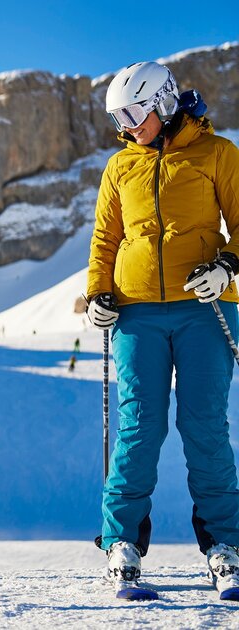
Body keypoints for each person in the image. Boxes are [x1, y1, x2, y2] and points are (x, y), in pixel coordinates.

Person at [87, 60, 239, 598]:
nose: (126, 126)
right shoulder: (119, 166)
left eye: (133, 112)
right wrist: (97, 295)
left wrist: (228, 266)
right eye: (117, 118)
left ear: (165, 100)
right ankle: (121, 543)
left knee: (204, 427)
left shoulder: (218, 154)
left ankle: (225, 546)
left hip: (204, 309)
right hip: (135, 314)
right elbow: (106, 239)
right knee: (139, 426)